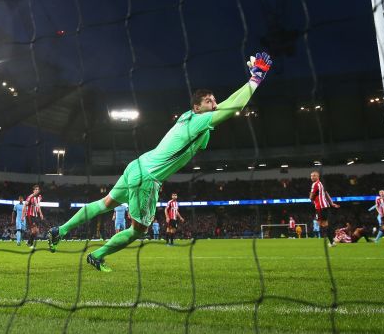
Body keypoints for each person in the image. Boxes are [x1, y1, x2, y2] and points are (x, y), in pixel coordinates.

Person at [46, 52, 272, 272]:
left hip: (138, 165)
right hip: (149, 176)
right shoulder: (198, 122)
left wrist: (249, 79)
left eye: (214, 100)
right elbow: (233, 108)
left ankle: (61, 230)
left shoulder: (190, 118)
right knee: (138, 230)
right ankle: (97, 255)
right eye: (208, 101)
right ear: (197, 107)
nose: (214, 104)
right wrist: (256, 79)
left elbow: (228, 104)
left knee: (105, 203)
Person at [309, 171, 340, 247]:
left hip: (320, 207)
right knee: (324, 224)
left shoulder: (315, 184)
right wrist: (332, 203)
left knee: (321, 224)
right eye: (311, 176)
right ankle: (333, 241)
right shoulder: (321, 184)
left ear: (318, 176)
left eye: (314, 176)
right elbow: (326, 194)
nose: (312, 177)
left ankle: (333, 240)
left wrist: (311, 195)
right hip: (325, 206)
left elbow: (311, 197)